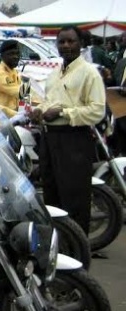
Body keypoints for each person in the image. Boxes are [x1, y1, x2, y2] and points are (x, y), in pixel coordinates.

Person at [29, 26, 106, 234]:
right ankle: (58, 245)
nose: (66, 46)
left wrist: (64, 114)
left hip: (74, 140)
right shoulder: (55, 74)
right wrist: (39, 110)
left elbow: (97, 111)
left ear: (80, 43)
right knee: (52, 196)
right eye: (62, 42)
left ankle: (77, 250)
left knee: (75, 198)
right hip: (50, 139)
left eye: (71, 41)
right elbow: (49, 102)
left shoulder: (89, 73)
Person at [0, 39, 22, 117]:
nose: (16, 57)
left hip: (7, 115)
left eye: (17, 53)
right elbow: (20, 92)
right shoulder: (0, 74)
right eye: (11, 54)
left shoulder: (12, 71)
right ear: (2, 56)